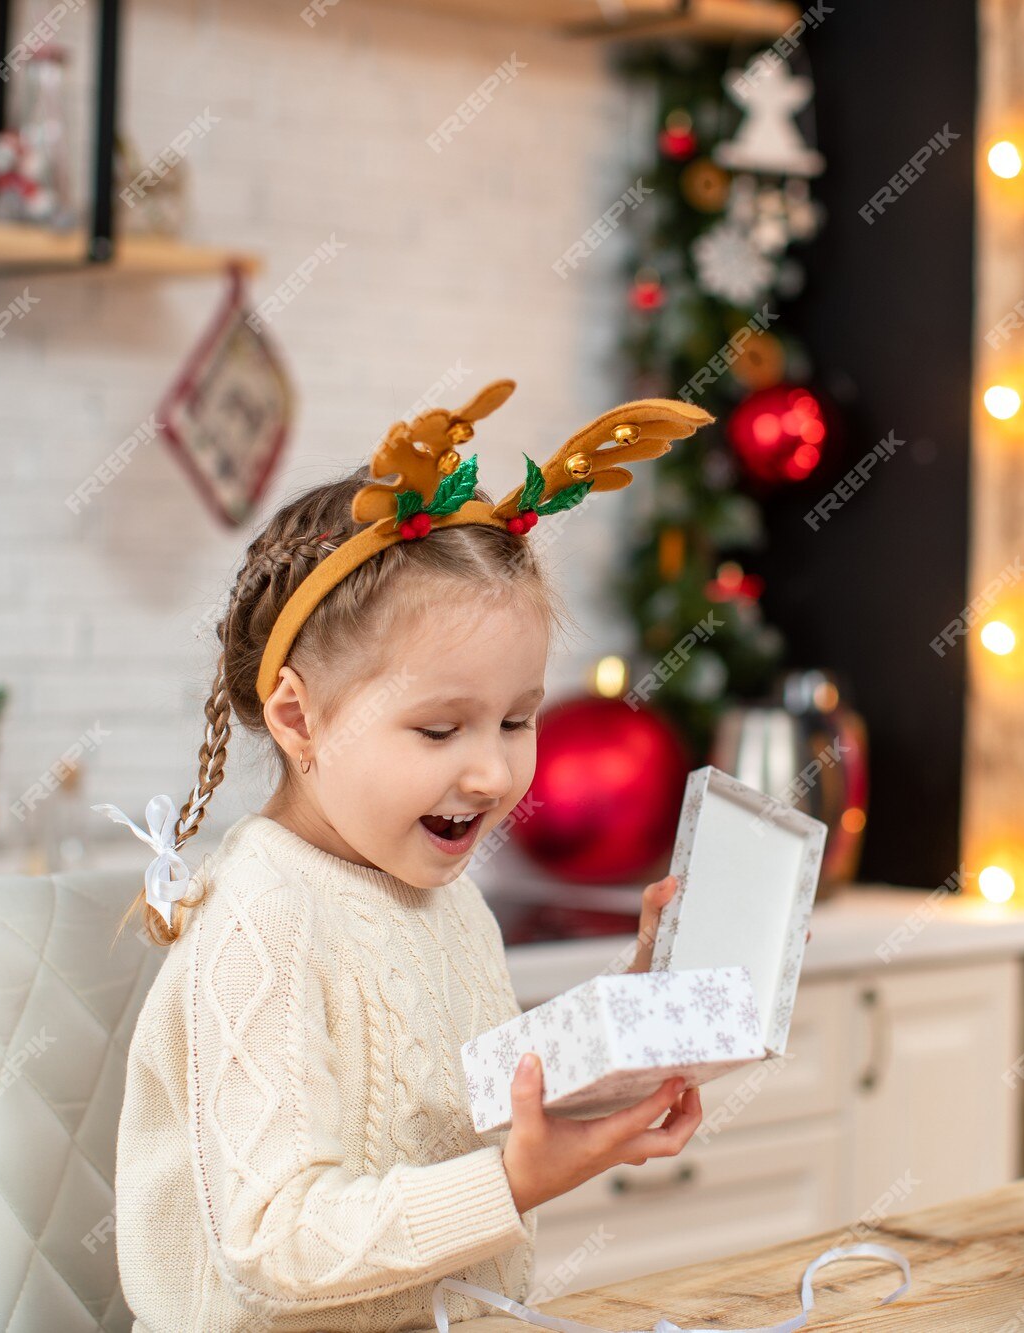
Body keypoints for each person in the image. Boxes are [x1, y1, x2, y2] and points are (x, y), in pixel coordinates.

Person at [109, 381, 716, 1330]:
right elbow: (275, 1246)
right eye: (439, 729)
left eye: (518, 719)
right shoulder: (264, 914)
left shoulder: (439, 894)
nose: (490, 770)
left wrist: (630, 1017)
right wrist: (512, 1181)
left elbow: (459, 1103)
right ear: (299, 718)